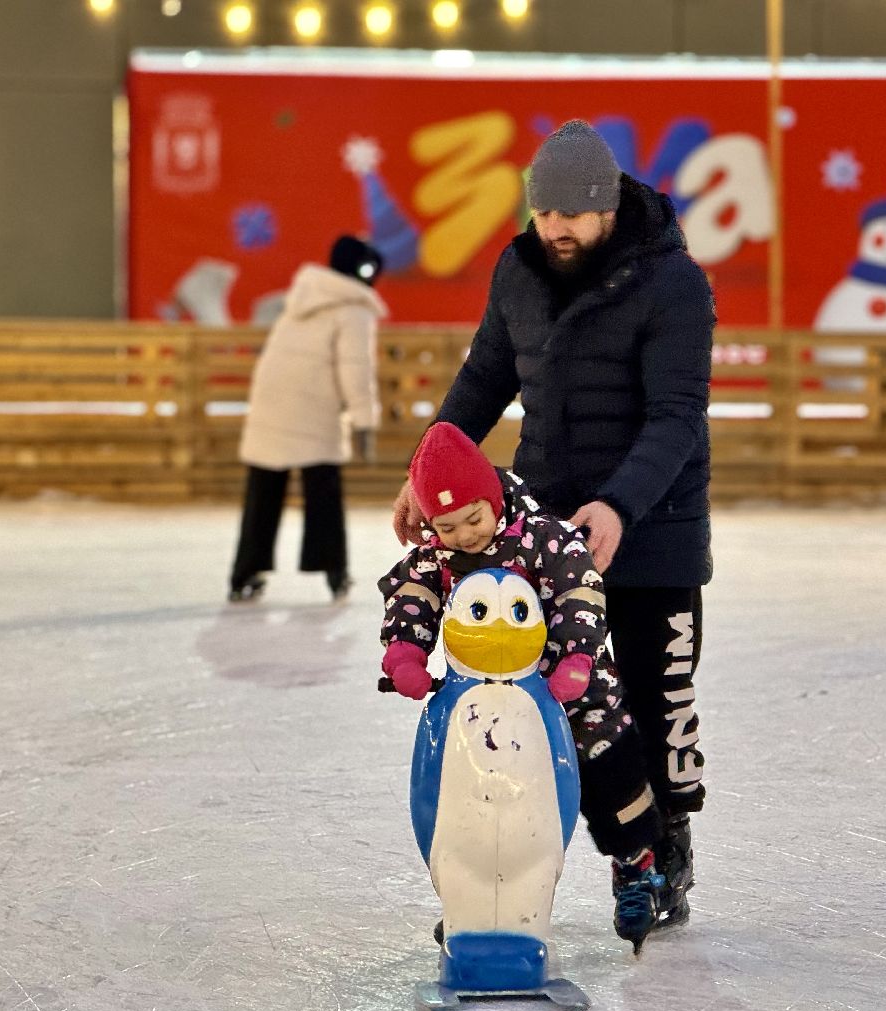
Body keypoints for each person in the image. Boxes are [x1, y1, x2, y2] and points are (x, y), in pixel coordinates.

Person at [391, 120, 715, 932]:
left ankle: (660, 854)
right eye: (544, 213)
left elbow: (677, 416)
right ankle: (505, 872)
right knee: (534, 702)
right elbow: (484, 377)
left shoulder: (672, 282)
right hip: (541, 528)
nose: (556, 229)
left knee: (651, 701)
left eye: (572, 214)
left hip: (654, 529)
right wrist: (426, 469)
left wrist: (619, 505)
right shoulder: (521, 271)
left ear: (607, 208)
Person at [380, 422, 666, 951]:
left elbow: (579, 589)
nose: (465, 536)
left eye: (474, 519)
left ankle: (636, 867)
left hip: (569, 690)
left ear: (494, 499)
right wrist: (404, 652)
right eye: (447, 527)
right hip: (480, 699)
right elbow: (411, 594)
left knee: (609, 767)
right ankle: (477, 901)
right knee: (474, 793)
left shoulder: (543, 538)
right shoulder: (437, 556)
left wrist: (576, 657)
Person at [229, 235, 386, 603]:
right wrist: (364, 422)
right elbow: (355, 370)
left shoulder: (304, 296)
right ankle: (334, 571)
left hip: (272, 402)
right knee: (323, 489)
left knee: (264, 487)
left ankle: (245, 573)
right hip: (314, 408)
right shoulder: (353, 309)